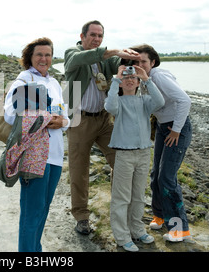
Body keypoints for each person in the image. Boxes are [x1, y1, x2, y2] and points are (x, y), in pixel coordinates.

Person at [63, 20, 141, 235]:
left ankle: (120, 209)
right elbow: (76, 59)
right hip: (80, 120)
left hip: (105, 120)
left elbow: (121, 62)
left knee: (122, 162)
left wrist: (135, 58)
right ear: (82, 36)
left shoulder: (106, 60)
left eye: (100, 36)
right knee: (79, 170)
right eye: (93, 35)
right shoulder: (72, 53)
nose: (96, 39)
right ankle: (81, 216)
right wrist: (108, 51)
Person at [4, 37, 70, 252]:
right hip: (34, 156)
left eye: (48, 54)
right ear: (30, 58)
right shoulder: (23, 82)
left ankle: (35, 251)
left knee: (43, 210)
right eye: (39, 54)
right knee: (31, 213)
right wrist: (43, 118)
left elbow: (65, 117)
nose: (44, 58)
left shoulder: (54, 82)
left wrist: (63, 122)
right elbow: (9, 116)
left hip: (56, 155)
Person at [129, 44, 193, 242]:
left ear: (153, 62)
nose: (140, 65)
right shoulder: (142, 80)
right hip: (164, 127)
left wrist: (176, 130)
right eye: (136, 62)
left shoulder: (157, 76)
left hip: (177, 129)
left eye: (144, 62)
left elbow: (185, 100)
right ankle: (160, 215)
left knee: (167, 177)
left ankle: (180, 228)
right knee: (156, 173)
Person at [105, 65, 164, 252]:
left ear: (138, 82)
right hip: (124, 154)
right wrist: (115, 79)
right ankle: (122, 236)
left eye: (133, 78)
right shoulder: (119, 102)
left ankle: (136, 229)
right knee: (122, 197)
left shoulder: (145, 101)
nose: (130, 80)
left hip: (144, 152)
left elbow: (160, 102)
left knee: (138, 195)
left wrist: (147, 79)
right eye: (126, 77)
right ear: (121, 82)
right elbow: (109, 106)